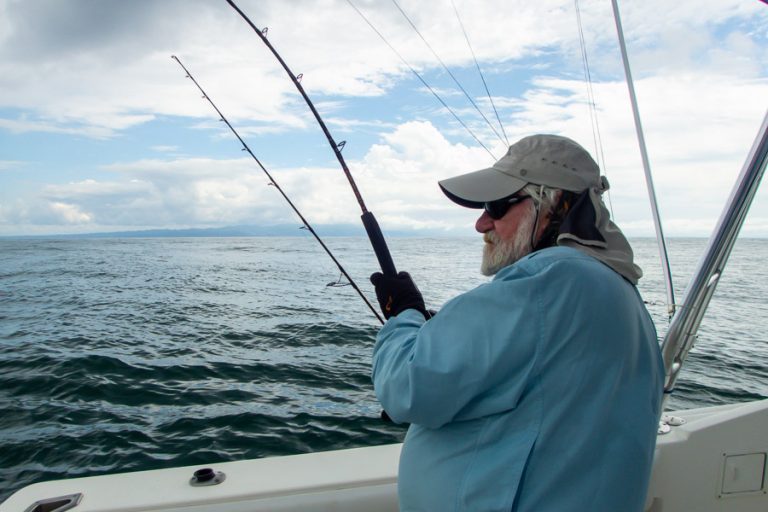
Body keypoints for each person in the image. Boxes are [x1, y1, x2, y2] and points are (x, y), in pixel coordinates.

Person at [369, 134, 664, 512]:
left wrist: (403, 316)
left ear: (553, 203)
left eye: (496, 205)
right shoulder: (619, 292)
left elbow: (406, 385)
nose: (481, 223)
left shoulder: (547, 281)